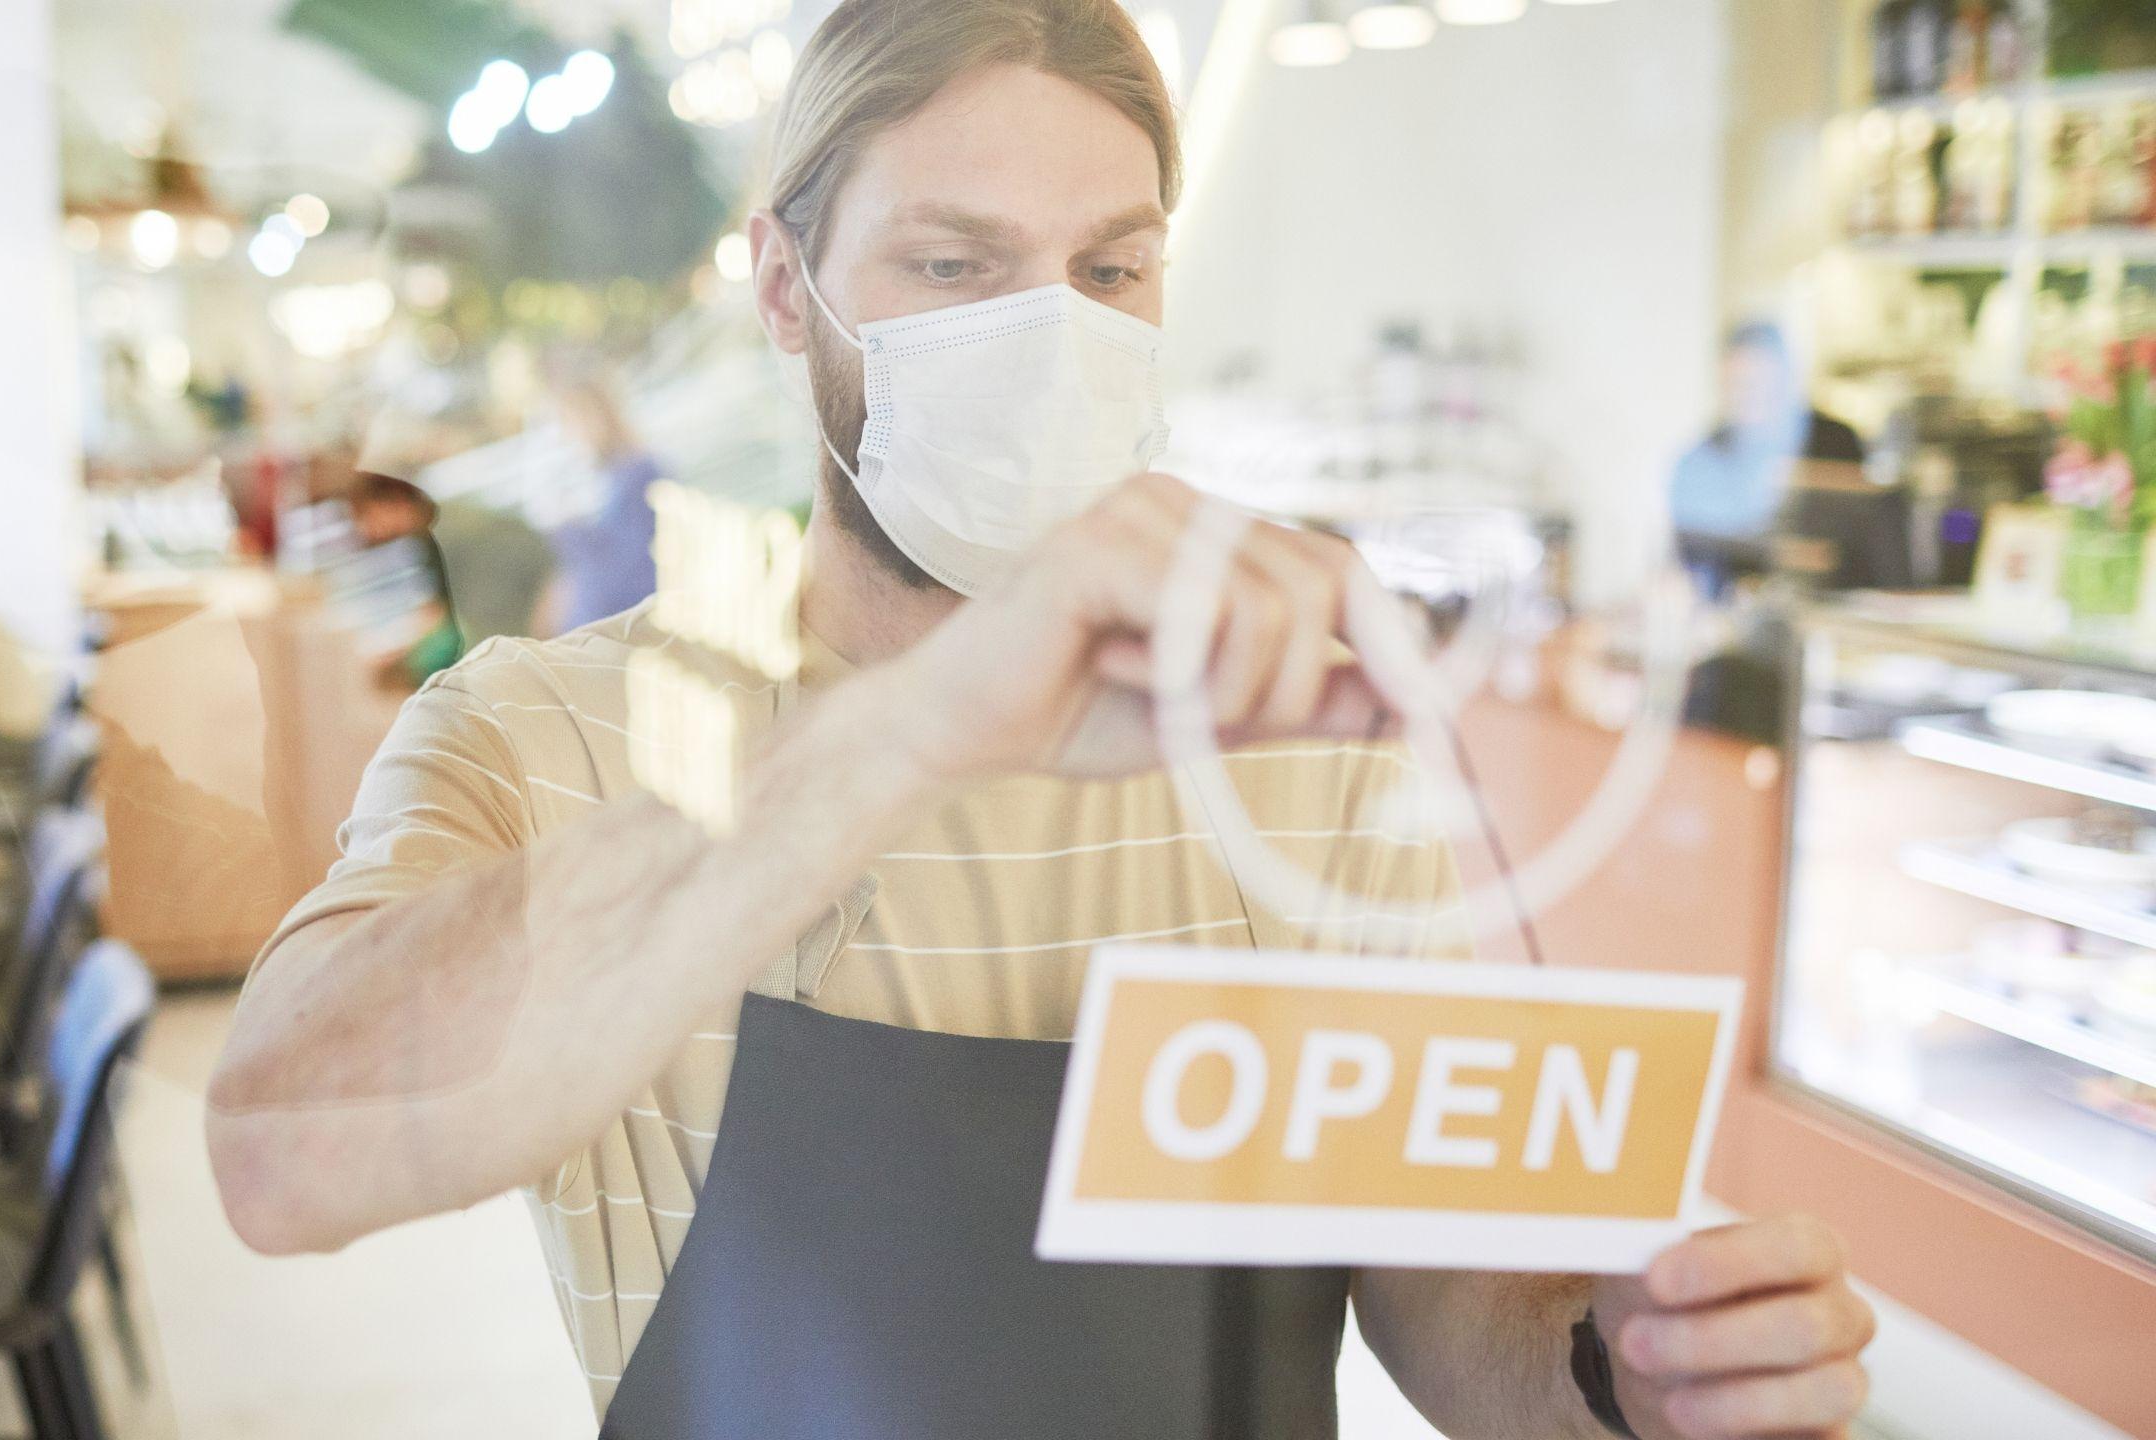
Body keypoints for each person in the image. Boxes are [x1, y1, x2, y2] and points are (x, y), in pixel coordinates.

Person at [208, 5, 1875, 1437]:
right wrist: (919, 724)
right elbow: (282, 1151)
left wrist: (1625, 1373)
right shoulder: (544, 735)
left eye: (1110, 267)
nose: (1048, 332)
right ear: (788, 292)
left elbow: (1467, 1280)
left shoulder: (1301, 743)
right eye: (955, 264)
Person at [1669, 323, 1870, 598]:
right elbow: (1689, 568)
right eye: (1737, 385)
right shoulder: (1702, 461)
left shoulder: (1835, 442)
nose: (1749, 397)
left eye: (1760, 384)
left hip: (1835, 613)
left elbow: (1868, 549)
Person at [536, 375, 662, 636]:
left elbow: (632, 567)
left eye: (572, 420)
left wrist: (571, 532)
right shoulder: (610, 477)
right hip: (601, 625)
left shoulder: (639, 473)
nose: (568, 434)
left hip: (629, 623)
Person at [340, 472, 466, 686]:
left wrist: (393, 650)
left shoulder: (435, 541)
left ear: (396, 502)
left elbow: (436, 613)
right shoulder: (413, 543)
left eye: (368, 514)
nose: (368, 527)